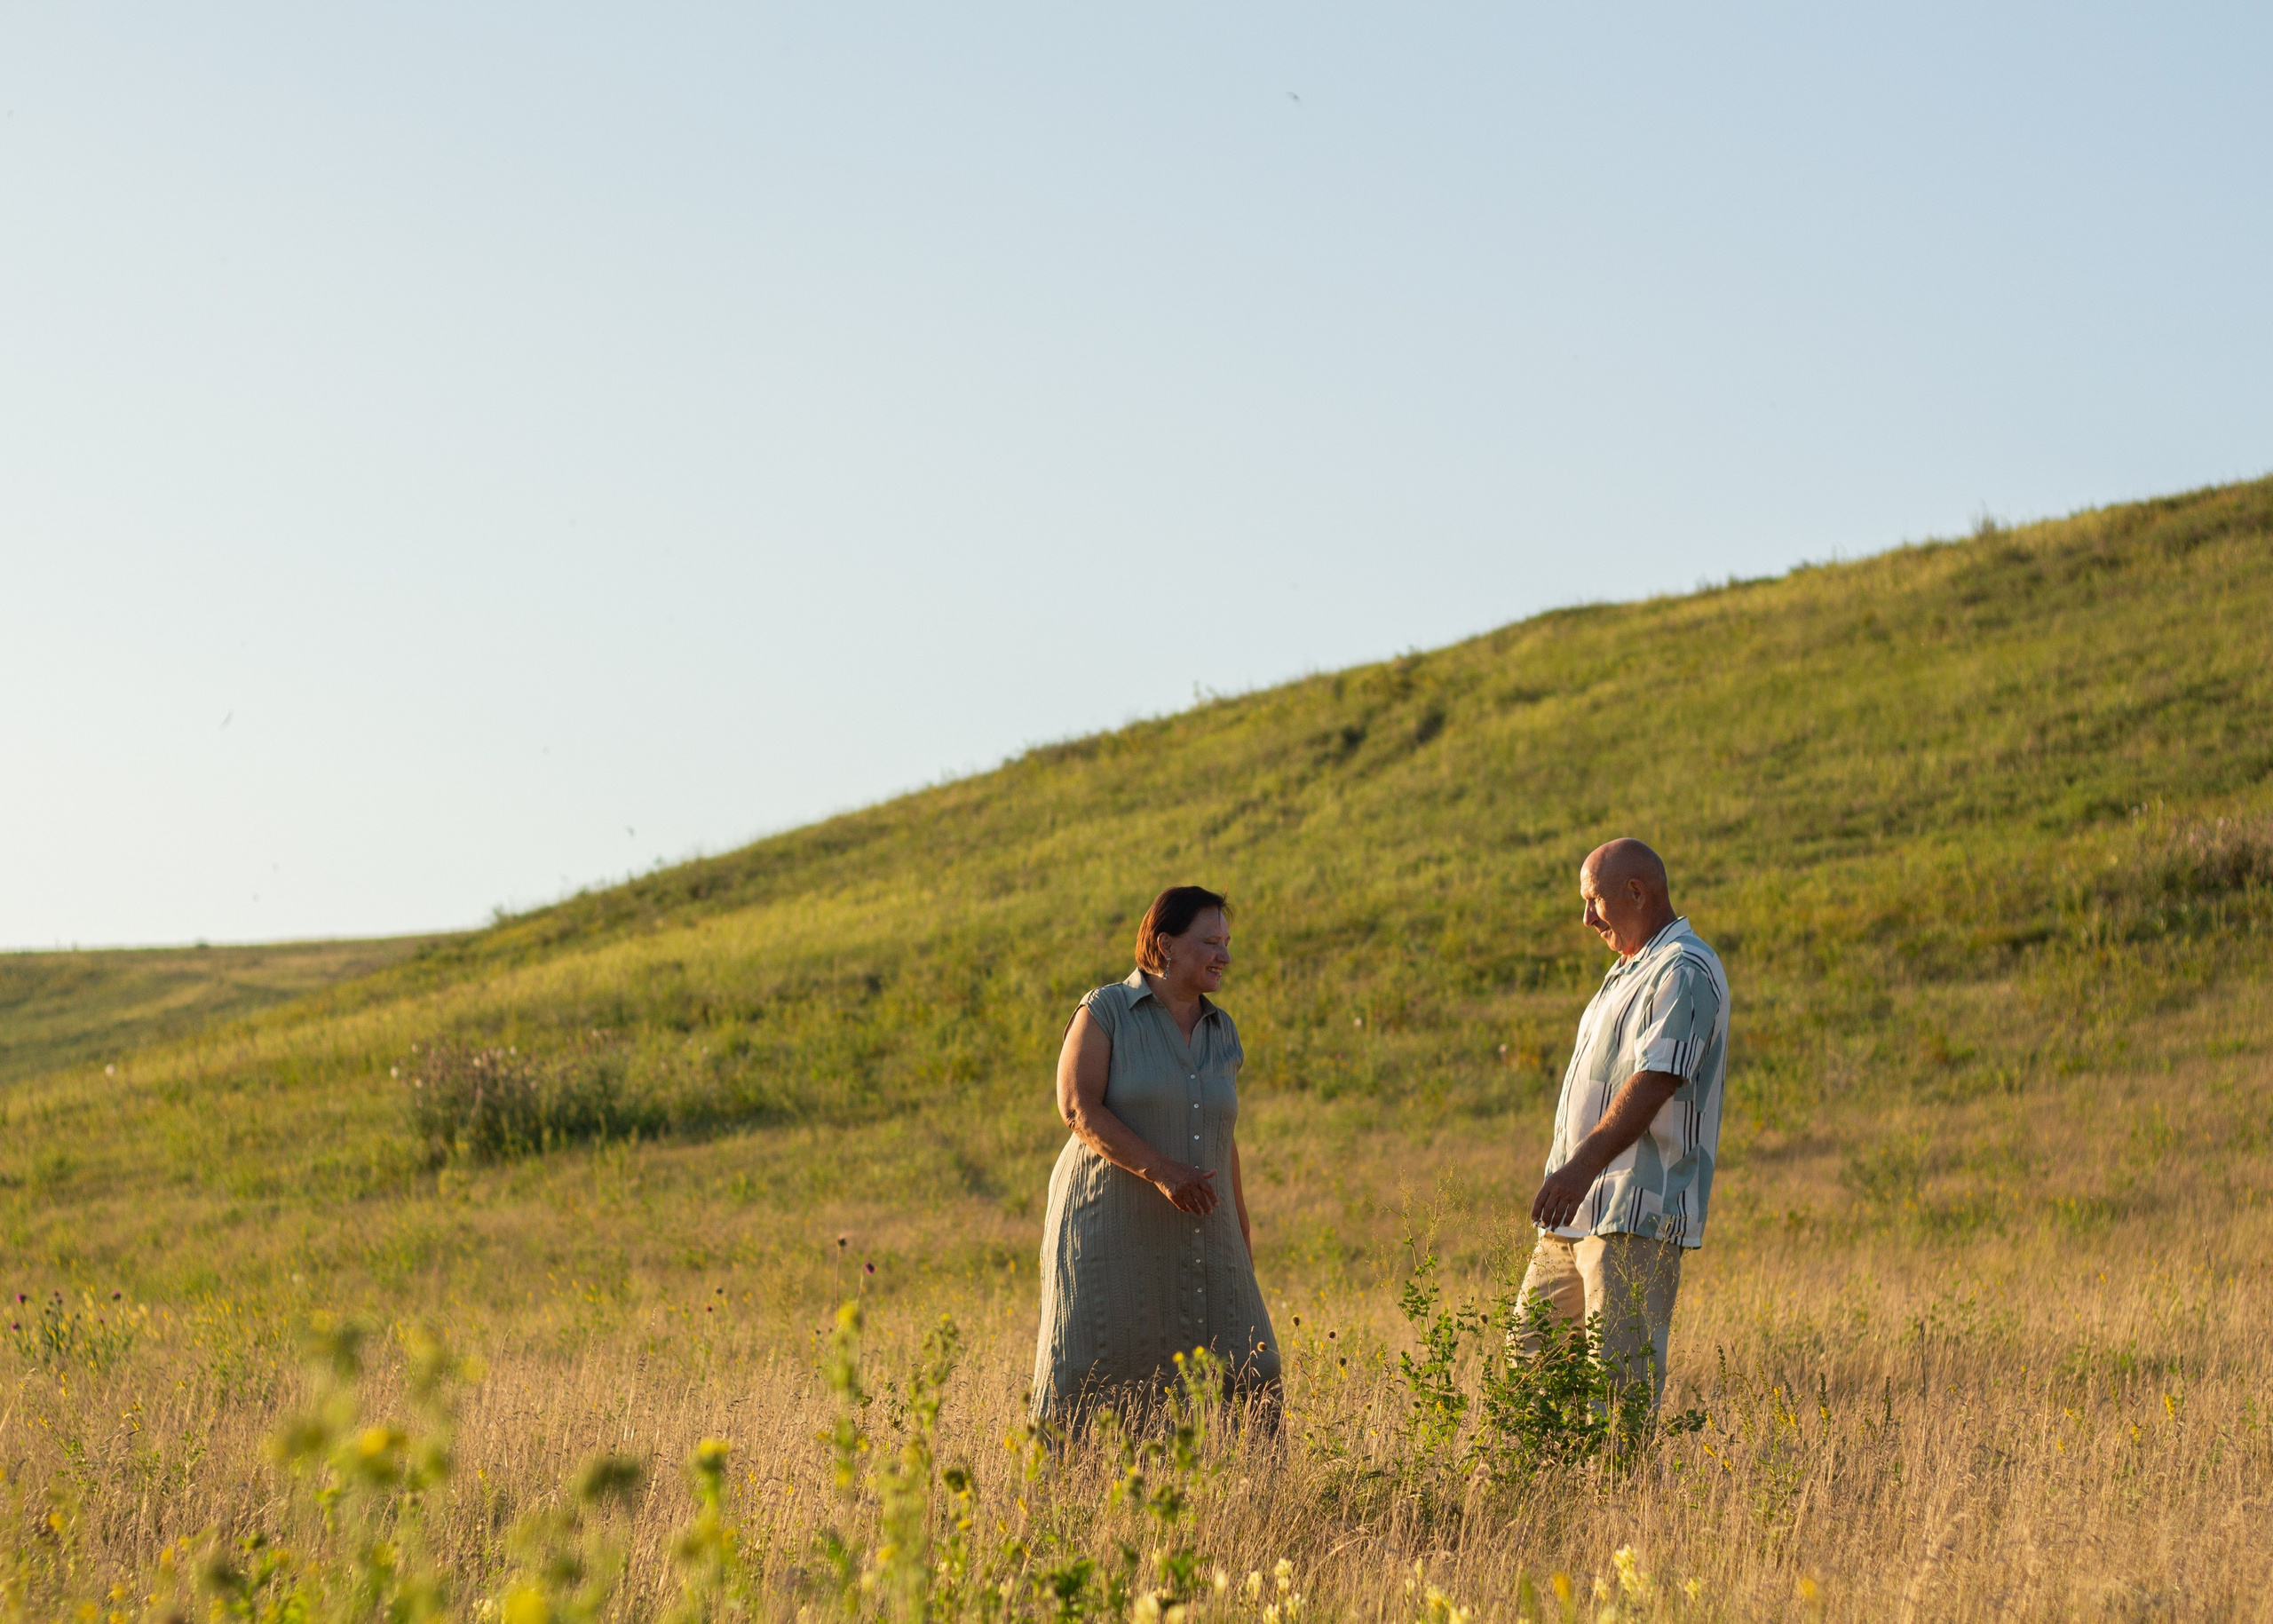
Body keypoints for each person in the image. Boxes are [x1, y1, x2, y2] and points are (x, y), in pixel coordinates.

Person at [1030, 885, 1280, 1425]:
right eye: (1211, 941)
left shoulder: (1223, 1030)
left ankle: (1255, 1502)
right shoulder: (1107, 1010)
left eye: (1228, 942)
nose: (1226, 956)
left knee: (1253, 1371)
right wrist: (1165, 1172)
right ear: (1165, 944)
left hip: (1202, 1226)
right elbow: (1076, 1107)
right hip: (1108, 1227)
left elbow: (1223, 1133)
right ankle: (1084, 1500)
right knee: (1100, 1373)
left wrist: (1240, 1229)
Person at [1519, 837, 1729, 1413]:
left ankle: (1616, 1499)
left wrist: (1580, 1167)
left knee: (1614, 1396)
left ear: (1635, 891)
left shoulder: (1683, 968)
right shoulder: (1628, 971)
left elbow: (1658, 1078)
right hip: (1575, 1216)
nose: (1585, 918)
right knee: (1529, 1374)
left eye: (1594, 900)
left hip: (1634, 1214)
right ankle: (1544, 1497)